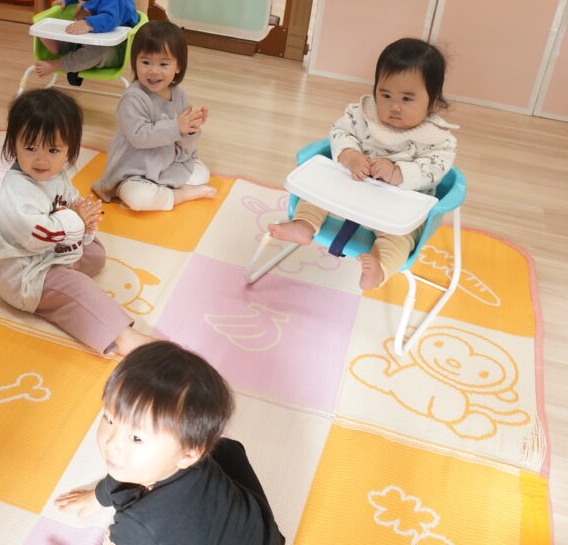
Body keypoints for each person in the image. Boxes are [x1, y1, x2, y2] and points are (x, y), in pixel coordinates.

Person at [269, 37, 457, 290]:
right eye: (385, 94)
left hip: (395, 208)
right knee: (317, 197)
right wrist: (350, 155)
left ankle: (379, 269)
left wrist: (399, 172)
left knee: (401, 237)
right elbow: (340, 132)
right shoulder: (361, 115)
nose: (394, 107)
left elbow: (434, 169)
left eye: (407, 99)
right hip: (350, 190)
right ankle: (304, 225)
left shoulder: (437, 139)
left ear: (432, 100)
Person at [54, 341, 284, 545]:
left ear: (188, 455)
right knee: (225, 450)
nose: (112, 442)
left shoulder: (140, 526)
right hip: (254, 526)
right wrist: (99, 496)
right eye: (109, 419)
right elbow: (125, 471)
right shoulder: (181, 453)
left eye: (136, 437)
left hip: (252, 534)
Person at [0, 88, 154, 355]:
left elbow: (68, 199)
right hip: (24, 273)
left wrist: (83, 214)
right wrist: (75, 219)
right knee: (79, 288)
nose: (41, 159)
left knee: (95, 253)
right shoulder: (17, 191)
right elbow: (38, 234)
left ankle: (62, 285)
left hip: (49, 252)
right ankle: (124, 337)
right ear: (13, 143)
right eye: (30, 148)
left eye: (53, 149)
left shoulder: (56, 174)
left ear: (69, 149)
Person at [92, 21, 216, 211]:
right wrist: (176, 126)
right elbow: (139, 137)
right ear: (135, 63)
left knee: (202, 174)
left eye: (163, 64)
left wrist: (191, 128)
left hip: (166, 162)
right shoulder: (133, 98)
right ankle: (181, 194)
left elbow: (183, 140)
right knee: (138, 198)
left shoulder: (179, 95)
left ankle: (164, 189)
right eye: (146, 62)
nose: (153, 71)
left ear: (178, 66)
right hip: (134, 169)